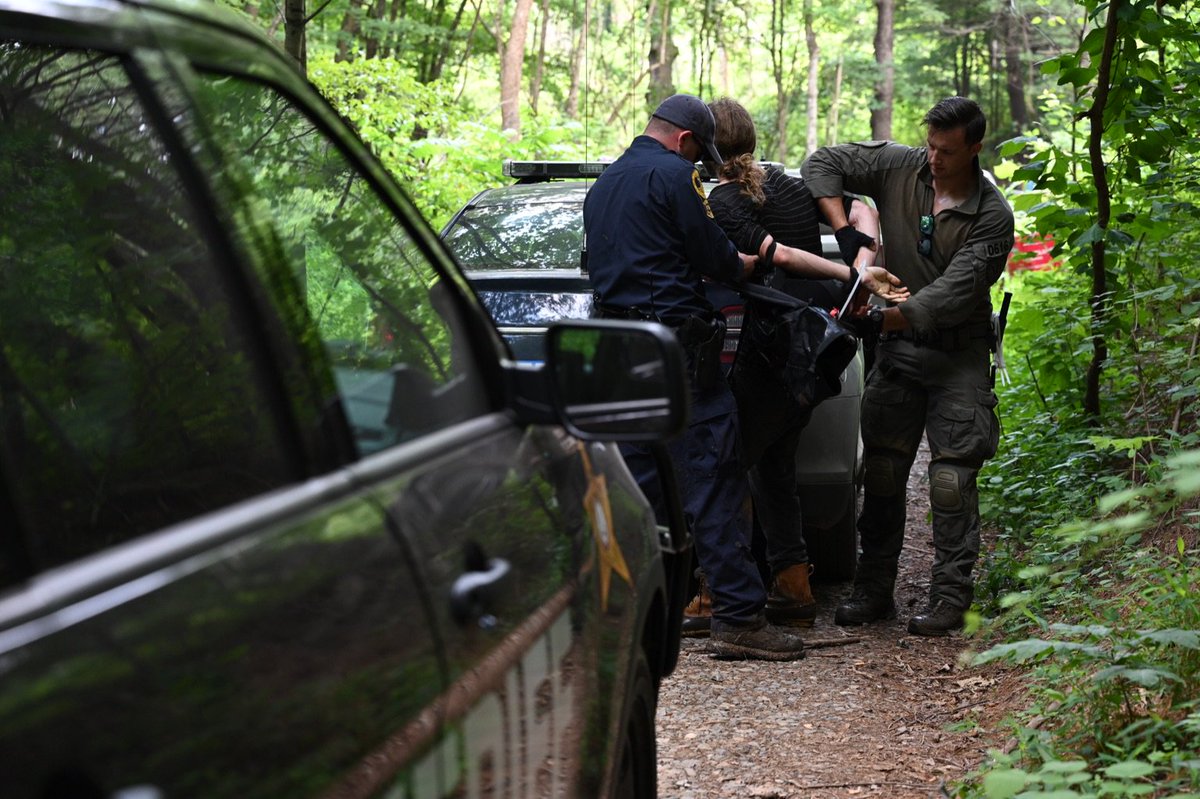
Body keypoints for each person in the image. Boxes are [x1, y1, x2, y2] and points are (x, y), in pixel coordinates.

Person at [584, 93, 805, 661]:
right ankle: (738, 617)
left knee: (638, 487)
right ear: (684, 140)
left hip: (618, 350)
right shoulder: (677, 177)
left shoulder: (604, 183)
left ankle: (634, 614)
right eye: (697, 153)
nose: (699, 163)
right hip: (674, 352)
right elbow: (715, 255)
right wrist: (747, 265)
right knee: (714, 472)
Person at [801, 96, 1014, 636]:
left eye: (946, 151)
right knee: (883, 471)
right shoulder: (901, 166)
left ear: (974, 148)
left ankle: (949, 597)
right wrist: (849, 234)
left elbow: (953, 294)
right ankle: (874, 589)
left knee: (950, 480)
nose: (934, 159)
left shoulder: (992, 216)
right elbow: (820, 163)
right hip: (899, 355)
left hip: (956, 352)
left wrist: (879, 320)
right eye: (930, 146)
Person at [694, 97, 908, 630]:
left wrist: (851, 277)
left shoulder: (723, 201)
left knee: (729, 466)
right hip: (812, 350)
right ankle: (792, 587)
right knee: (773, 466)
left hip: (762, 348)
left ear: (706, 147)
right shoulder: (786, 184)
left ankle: (720, 593)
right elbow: (863, 211)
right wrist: (859, 257)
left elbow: (777, 256)